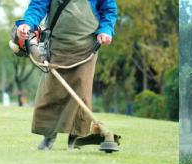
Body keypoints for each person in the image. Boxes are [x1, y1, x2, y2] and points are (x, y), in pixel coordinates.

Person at [16, 0, 117, 150]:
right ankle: (48, 137)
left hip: (87, 48)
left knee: (81, 91)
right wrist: (28, 24)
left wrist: (106, 29)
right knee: (51, 91)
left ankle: (74, 140)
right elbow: (38, 5)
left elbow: (108, 9)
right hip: (57, 45)